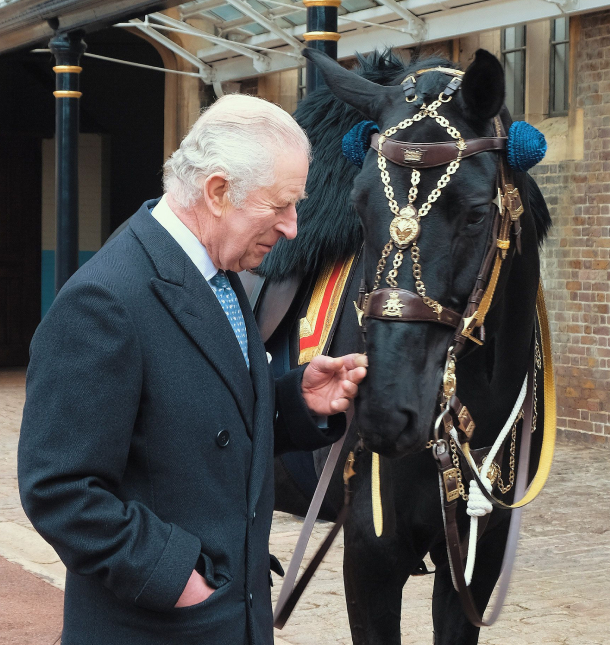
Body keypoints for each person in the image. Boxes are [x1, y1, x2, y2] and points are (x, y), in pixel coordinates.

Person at [18, 94, 367, 645]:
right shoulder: (104, 301)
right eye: (279, 205)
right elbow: (60, 489)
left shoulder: (219, 273)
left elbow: (197, 425)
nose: (294, 227)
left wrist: (293, 401)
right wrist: (178, 578)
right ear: (219, 191)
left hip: (230, 620)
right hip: (161, 625)